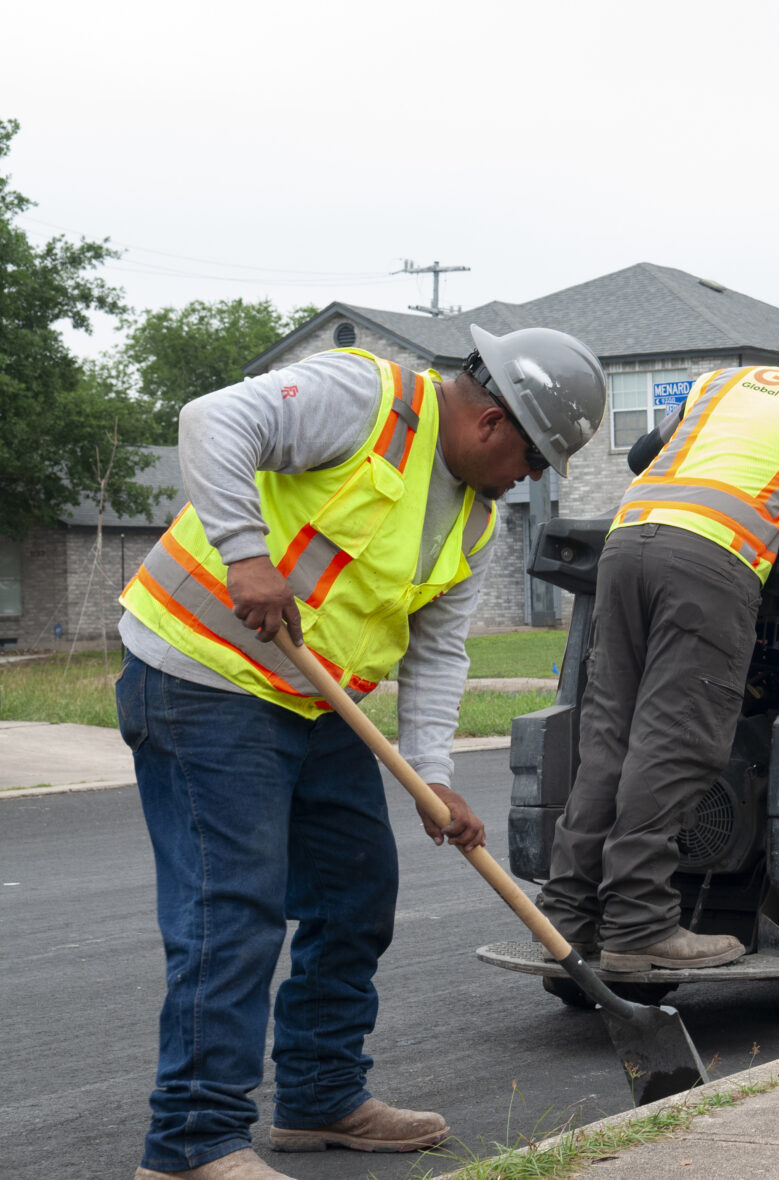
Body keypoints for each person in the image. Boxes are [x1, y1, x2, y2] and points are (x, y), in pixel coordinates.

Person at [119, 325, 608, 1180]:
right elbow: (208, 421)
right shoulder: (363, 399)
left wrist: (433, 778)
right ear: (493, 422)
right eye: (533, 460)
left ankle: (318, 1096)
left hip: (312, 703)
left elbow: (437, 651)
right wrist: (244, 553)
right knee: (233, 908)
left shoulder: (474, 516)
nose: (531, 480)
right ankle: (192, 1145)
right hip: (203, 678)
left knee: (356, 892)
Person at [536, 326, 779, 972]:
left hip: (629, 541)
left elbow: (642, 456)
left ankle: (568, 917)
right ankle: (639, 924)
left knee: (609, 733)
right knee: (676, 738)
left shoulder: (720, 384)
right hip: (712, 557)